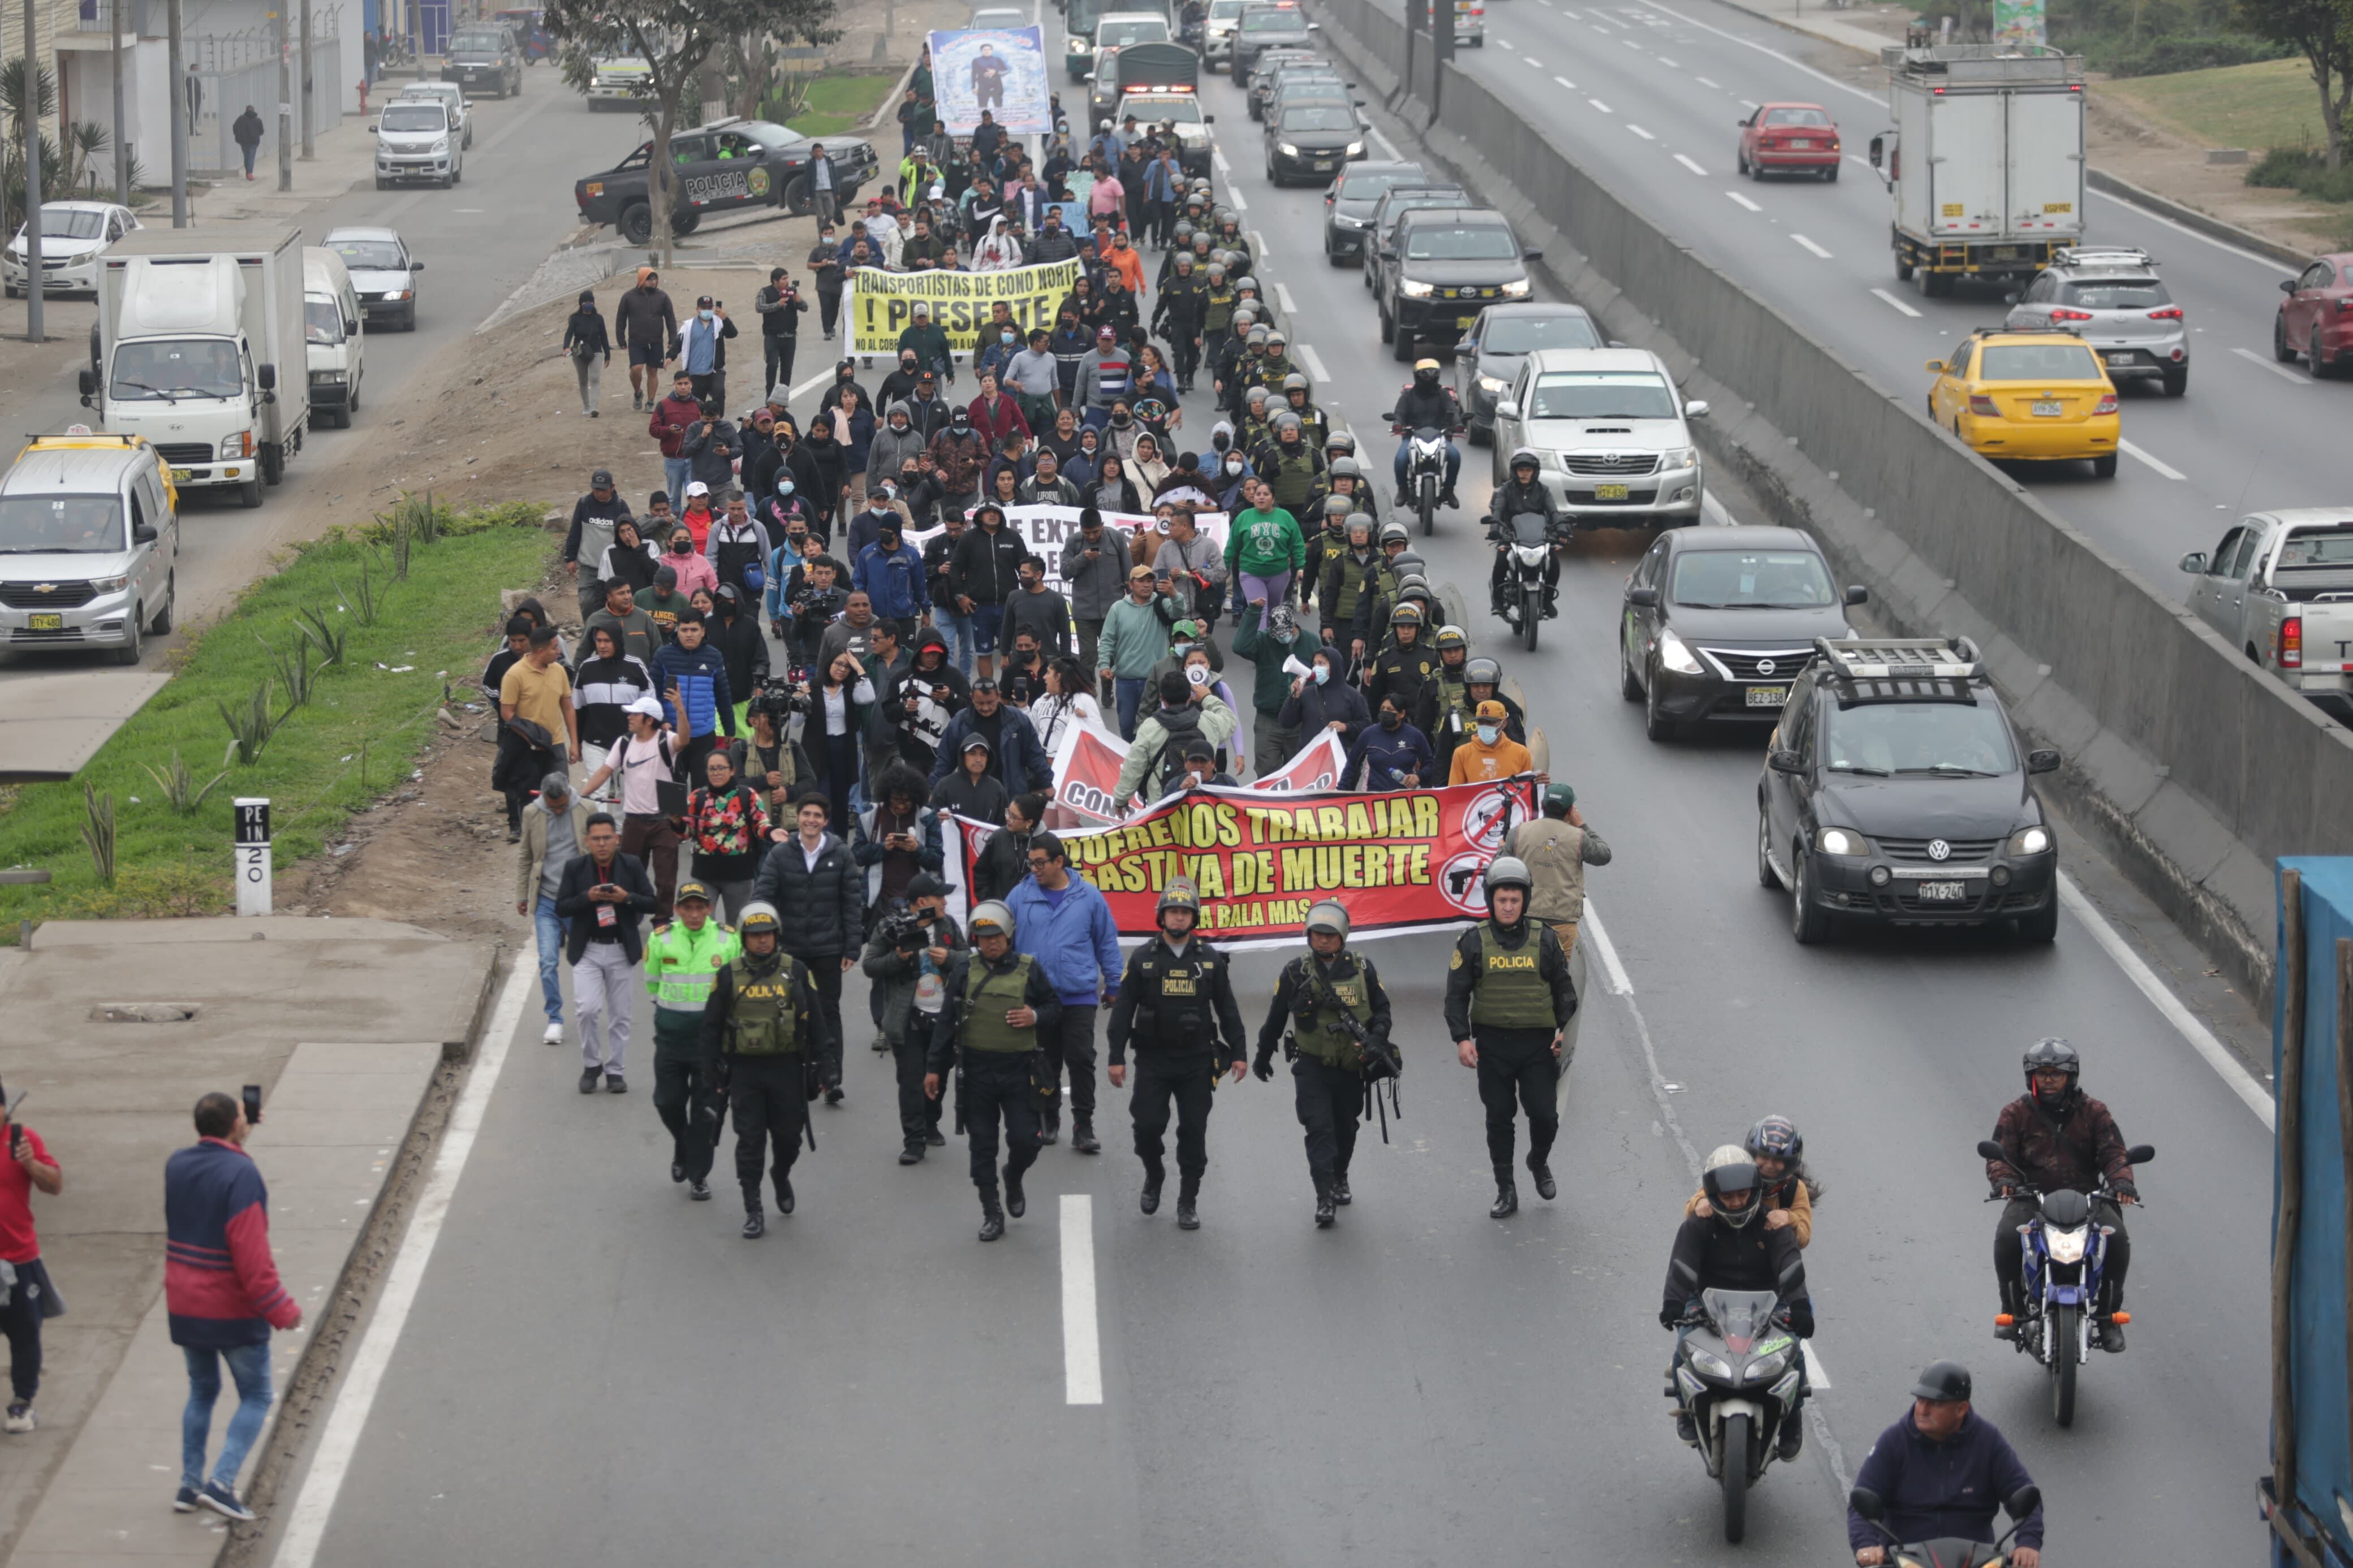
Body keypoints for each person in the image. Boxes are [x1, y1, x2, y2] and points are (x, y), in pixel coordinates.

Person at [165, 1092, 299, 1522]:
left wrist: (238, 1136)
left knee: (202, 1390)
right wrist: (281, 1308)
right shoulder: (243, 1173)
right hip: (230, 1308)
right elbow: (251, 1255)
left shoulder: (177, 1164)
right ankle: (221, 1483)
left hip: (185, 1302)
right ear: (234, 1126)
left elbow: (218, 1168)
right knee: (257, 1394)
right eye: (243, 1116)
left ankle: (189, 1483)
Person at [1104, 878, 1245, 1229]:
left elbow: (1228, 1010)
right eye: (1173, 913)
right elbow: (1122, 1012)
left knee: (1194, 1132)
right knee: (1147, 1127)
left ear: (1193, 918)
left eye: (1185, 913)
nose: (1178, 919)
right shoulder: (1142, 960)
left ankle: (1188, 1201)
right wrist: (1116, 1057)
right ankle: (1154, 1174)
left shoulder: (1210, 961)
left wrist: (1240, 1053)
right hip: (1153, 1061)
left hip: (1196, 1062)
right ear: (1161, 917)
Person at [1443, 857, 1578, 1219]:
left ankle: (1538, 1160)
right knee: (1500, 1118)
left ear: (1525, 901)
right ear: (1491, 900)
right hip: (1493, 1049)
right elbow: (1456, 997)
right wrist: (1462, 1039)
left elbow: (1566, 993)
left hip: (1537, 1048)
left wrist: (1564, 1032)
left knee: (1545, 1116)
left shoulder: (1545, 939)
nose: (1508, 907)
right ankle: (1506, 1188)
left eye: (1515, 901)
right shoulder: (1472, 942)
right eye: (1502, 900)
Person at [1985, 1038, 2140, 1349]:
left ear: (2071, 1076)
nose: (2050, 1079)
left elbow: (2114, 1153)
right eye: (2042, 1073)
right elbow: (1999, 1157)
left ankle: (2109, 1317)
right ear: (2032, 1077)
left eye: (2057, 1073)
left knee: (2118, 1239)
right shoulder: (2015, 1113)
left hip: (2088, 1198)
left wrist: (2121, 1182)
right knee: (2007, 1238)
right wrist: (2005, 1181)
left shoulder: (2095, 1112)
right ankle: (2012, 1311)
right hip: (2032, 1198)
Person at [1661, 1146, 1815, 1452]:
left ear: (1754, 1191)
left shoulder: (1774, 1226)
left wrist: (1799, 1306)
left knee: (1795, 1351)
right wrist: (1673, 1304)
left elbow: (1790, 1265)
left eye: (1742, 1195)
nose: (1736, 1202)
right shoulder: (1698, 1225)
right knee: (1684, 1344)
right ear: (1714, 1196)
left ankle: (1793, 1415)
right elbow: (1682, 1265)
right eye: (1728, 1197)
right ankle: (1686, 1408)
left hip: (1768, 1303)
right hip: (1707, 1303)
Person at [924, 900, 1062, 1241]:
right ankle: (992, 1211)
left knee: (1026, 1143)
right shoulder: (963, 971)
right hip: (976, 1074)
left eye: (996, 936)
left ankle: (1013, 1177)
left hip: (1019, 1073)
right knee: (982, 1146)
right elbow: (945, 1024)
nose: (991, 943)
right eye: (983, 937)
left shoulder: (1030, 970)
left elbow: (1055, 1007)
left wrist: (1035, 1016)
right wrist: (933, 1070)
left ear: (1009, 935)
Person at [1252, 900, 1394, 1228]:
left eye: (1331, 934)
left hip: (1351, 1066)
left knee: (1346, 1128)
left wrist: (1378, 1039)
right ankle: (1324, 1197)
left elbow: (1383, 1011)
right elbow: (1275, 1017)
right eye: (1318, 933)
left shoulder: (1363, 969)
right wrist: (1263, 1055)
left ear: (1343, 936)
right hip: (1312, 1065)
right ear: (1308, 934)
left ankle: (1340, 1175)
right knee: (1319, 1129)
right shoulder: (1294, 971)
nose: (1324, 940)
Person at [699, 901, 831, 1238]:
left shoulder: (797, 971)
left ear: (777, 935)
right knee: (750, 1141)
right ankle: (753, 1208)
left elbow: (817, 1019)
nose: (762, 941)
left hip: (788, 1069)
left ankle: (781, 1174)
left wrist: (824, 1065)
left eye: (767, 934)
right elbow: (711, 1027)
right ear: (744, 938)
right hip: (745, 1073)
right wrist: (711, 1072)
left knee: (789, 1139)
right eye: (755, 935)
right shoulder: (728, 974)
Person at [1847, 1363, 2043, 1568]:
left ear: (1961, 1409)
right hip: (1906, 1560)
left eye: (1935, 1404)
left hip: (1975, 1561)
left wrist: (2028, 1543)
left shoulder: (1988, 1441)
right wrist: (1866, 1544)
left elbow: (2025, 1495)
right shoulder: (1893, 1442)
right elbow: (1863, 1499)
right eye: (1920, 1400)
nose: (1921, 1410)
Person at [1004, 832, 1123, 1153]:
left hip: (1079, 994)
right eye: (1031, 863)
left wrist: (1114, 984)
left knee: (1082, 1059)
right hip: (1037, 998)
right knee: (1044, 1061)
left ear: (1060, 862)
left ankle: (1084, 1126)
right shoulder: (1019, 897)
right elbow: (1003, 940)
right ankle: (1048, 1119)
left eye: (1041, 863)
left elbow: (1106, 941)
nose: (1034, 869)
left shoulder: (1089, 897)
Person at [748, 793, 865, 1104]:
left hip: (828, 949)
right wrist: (762, 945)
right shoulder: (780, 854)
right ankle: (797, 1076)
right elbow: (763, 898)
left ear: (826, 821)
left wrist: (851, 948)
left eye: (817, 816)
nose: (811, 820)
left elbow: (852, 904)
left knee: (828, 1013)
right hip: (790, 952)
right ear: (797, 818)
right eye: (806, 814)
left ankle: (832, 1077)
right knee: (790, 1014)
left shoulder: (841, 854)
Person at [643, 880, 738, 1200]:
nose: (695, 914)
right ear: (677, 910)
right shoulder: (662, 939)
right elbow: (652, 984)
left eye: (700, 908)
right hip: (671, 1039)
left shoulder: (728, 940)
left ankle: (699, 1175)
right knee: (667, 1102)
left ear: (710, 909)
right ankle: (682, 1147)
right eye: (688, 908)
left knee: (705, 1112)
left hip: (710, 1045)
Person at [863, 874, 966, 1163]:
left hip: (944, 1020)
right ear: (922, 903)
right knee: (910, 1081)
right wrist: (898, 958)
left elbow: (969, 960)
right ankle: (914, 1141)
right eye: (939, 897)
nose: (945, 902)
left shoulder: (948, 925)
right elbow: (870, 966)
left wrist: (950, 959)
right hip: (907, 1020)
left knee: (939, 1075)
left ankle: (931, 1123)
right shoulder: (890, 927)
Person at [555, 813, 660, 1093]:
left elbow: (652, 903)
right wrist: (586, 898)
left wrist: (627, 898)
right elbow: (561, 907)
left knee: (620, 1015)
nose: (602, 844)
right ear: (587, 841)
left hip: (620, 949)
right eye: (596, 839)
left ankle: (616, 1070)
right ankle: (591, 1065)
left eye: (607, 838)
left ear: (617, 839)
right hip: (587, 948)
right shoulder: (575, 868)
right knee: (586, 1009)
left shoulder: (632, 865)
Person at [579, 694, 686, 921]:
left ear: (649, 720)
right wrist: (582, 795)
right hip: (633, 822)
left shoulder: (666, 740)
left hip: (664, 822)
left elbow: (684, 740)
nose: (629, 717)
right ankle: (630, 915)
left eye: (635, 714)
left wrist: (679, 709)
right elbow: (604, 772)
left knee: (666, 879)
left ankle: (662, 919)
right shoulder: (624, 742)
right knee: (627, 877)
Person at [0, 1090, 61, 1436]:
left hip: (19, 1257)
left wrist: (29, 1163)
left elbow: (55, 1185)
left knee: (25, 1333)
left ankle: (23, 1400)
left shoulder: (24, 1140)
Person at [516, 771, 592, 1043]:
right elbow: (526, 856)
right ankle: (555, 1018)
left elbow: (599, 853)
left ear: (569, 795)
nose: (559, 811)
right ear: (545, 799)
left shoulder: (586, 808)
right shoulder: (532, 814)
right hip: (547, 900)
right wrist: (521, 896)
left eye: (562, 805)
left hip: (578, 900)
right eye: (553, 807)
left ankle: (587, 1012)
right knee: (548, 961)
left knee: (585, 962)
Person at [1503, 783, 1612, 954]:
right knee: (1562, 973)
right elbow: (1603, 855)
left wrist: (1500, 848)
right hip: (1562, 920)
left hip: (1524, 917)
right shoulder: (1579, 837)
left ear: (1542, 806)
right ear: (1570, 811)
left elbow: (1499, 868)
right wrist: (1582, 825)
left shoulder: (1518, 833)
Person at [1114, 670, 1238, 811]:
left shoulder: (1150, 727)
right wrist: (1207, 697)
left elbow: (1134, 766)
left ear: (1162, 698)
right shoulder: (1208, 722)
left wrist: (1121, 800)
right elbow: (1230, 720)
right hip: (1203, 804)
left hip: (1163, 807)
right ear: (1190, 697)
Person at [497, 625, 578, 841]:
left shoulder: (559, 671)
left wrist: (575, 743)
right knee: (529, 796)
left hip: (556, 745)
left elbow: (568, 707)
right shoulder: (515, 675)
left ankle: (561, 838)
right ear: (540, 651)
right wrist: (530, 738)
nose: (559, 652)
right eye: (555, 648)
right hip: (526, 748)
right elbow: (507, 713)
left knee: (561, 792)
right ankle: (532, 840)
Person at [1686, 1116, 1819, 1246]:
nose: (1769, 1165)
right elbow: (1691, 1209)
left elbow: (1803, 1239)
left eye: (1778, 1160)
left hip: (1769, 1255)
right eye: (1764, 1157)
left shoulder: (1795, 1188)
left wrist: (1790, 1219)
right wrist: (1700, 1202)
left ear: (1790, 1163)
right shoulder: (1736, 1172)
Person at [683, 750, 769, 922]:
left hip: (739, 875)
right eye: (712, 769)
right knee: (704, 926)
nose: (716, 773)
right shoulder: (697, 798)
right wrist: (675, 822)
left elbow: (761, 824)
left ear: (732, 770)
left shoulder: (748, 795)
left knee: (737, 928)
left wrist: (772, 832)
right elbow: (684, 833)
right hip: (704, 874)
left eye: (721, 768)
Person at [1487, 447, 1564, 619]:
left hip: (1538, 537)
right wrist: (1494, 530)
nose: (1524, 474)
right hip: (1511, 536)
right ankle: (1498, 601)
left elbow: (1553, 512)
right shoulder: (1506, 490)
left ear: (1534, 472)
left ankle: (1547, 601)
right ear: (1515, 472)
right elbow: (1498, 511)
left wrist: (1562, 529)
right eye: (1521, 470)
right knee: (1501, 561)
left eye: (1528, 470)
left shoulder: (1543, 490)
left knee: (1555, 563)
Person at [1387, 357, 1465, 508]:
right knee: (1401, 459)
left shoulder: (1443, 395)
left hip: (1439, 437)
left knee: (1455, 457)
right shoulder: (1408, 396)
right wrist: (1398, 424)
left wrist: (1458, 424)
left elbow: (1453, 412)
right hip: (1412, 438)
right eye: (1425, 374)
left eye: (1433, 373)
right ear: (1417, 375)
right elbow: (1400, 413)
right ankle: (1402, 489)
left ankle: (1449, 490)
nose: (1429, 377)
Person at [1278, 643, 1369, 757]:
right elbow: (1286, 723)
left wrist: (1346, 727)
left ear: (1334, 666)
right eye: (1314, 664)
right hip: (1308, 758)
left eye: (1321, 664)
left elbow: (1366, 726)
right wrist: (1294, 697)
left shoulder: (1353, 696)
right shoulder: (1306, 694)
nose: (1316, 668)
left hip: (1337, 759)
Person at [615, 267, 679, 412]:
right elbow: (621, 319)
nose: (653, 282)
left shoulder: (662, 297)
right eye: (650, 279)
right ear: (641, 280)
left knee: (653, 371)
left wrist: (672, 339)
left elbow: (670, 318)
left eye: (655, 279)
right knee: (636, 369)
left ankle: (650, 402)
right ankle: (638, 393)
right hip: (636, 341)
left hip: (656, 341)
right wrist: (621, 339)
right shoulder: (628, 297)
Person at [1447, 699, 1535, 784]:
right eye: (1481, 722)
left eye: (1490, 722)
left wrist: (1540, 783)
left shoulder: (1521, 753)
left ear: (1503, 723)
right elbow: (1455, 792)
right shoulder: (1462, 754)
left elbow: (1528, 789)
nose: (1485, 726)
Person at [649, 369, 703, 502]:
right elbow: (653, 429)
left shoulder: (699, 405)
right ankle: (675, 523)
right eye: (680, 384)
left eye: (686, 383)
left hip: (694, 460)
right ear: (674, 385)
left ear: (691, 384)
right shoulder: (663, 405)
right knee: (674, 498)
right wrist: (668, 431)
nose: (683, 387)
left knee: (695, 496)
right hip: (672, 460)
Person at [754, 267, 808, 398]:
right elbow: (759, 307)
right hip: (772, 336)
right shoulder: (765, 292)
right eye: (784, 279)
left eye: (787, 278)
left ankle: (783, 396)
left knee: (787, 368)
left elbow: (805, 308)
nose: (787, 281)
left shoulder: (792, 292)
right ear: (775, 281)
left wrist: (799, 300)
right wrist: (777, 304)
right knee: (772, 365)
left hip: (790, 336)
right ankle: (770, 395)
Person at [562, 290, 612, 417]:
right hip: (579, 353)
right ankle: (587, 407)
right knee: (583, 380)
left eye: (591, 302)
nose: (588, 304)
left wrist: (608, 354)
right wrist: (566, 347)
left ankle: (595, 407)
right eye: (586, 302)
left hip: (596, 352)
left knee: (595, 379)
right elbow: (569, 334)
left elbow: (604, 337)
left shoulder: (599, 319)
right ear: (581, 304)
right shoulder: (575, 319)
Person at [232, 105, 264, 179]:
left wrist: (237, 134)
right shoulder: (258, 120)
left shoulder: (241, 119)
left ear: (246, 111)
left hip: (243, 142)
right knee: (251, 157)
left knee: (246, 157)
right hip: (254, 142)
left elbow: (235, 127)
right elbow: (262, 132)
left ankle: (248, 173)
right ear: (254, 111)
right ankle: (249, 173)